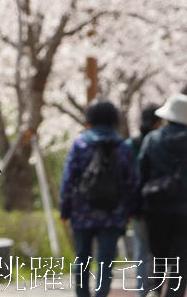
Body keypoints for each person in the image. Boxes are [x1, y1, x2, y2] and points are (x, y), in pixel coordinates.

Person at [60, 99, 139, 297]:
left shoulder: (80, 144)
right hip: (113, 213)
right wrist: (132, 210)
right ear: (114, 120)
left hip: (82, 211)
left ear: (90, 120)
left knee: (82, 259)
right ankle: (101, 294)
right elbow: (132, 182)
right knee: (106, 261)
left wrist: (65, 209)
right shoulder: (122, 146)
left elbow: (69, 179)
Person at [138, 93, 187, 297]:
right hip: (184, 210)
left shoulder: (152, 139)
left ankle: (154, 291)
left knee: (156, 255)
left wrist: (138, 205)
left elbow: (141, 172)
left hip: (155, 207)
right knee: (181, 259)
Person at [127, 106, 162, 295]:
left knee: (142, 248)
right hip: (160, 203)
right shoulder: (160, 142)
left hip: (138, 204)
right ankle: (155, 290)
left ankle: (142, 291)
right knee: (157, 249)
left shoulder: (131, 144)